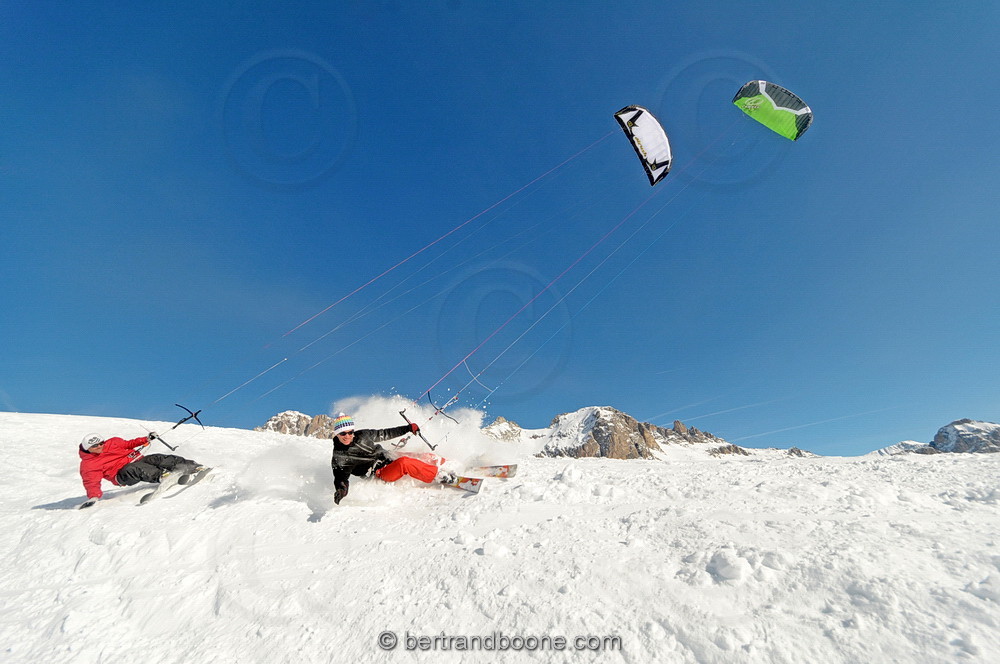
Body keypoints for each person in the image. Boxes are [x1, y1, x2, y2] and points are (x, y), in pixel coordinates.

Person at [329, 413, 442, 505]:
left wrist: (407, 428)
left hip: (388, 457)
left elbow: (385, 433)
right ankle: (441, 476)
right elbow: (340, 478)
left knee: (424, 456)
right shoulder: (340, 456)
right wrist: (341, 490)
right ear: (337, 434)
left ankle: (448, 466)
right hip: (379, 473)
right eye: (343, 433)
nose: (347, 436)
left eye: (350, 432)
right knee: (404, 463)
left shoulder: (363, 435)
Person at [78, 432, 203, 506]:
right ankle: (164, 476)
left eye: (101, 443)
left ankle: (191, 466)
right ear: (88, 448)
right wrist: (94, 497)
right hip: (122, 475)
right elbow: (91, 482)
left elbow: (129, 444)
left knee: (156, 458)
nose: (100, 446)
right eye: (95, 446)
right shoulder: (89, 464)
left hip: (136, 459)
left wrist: (146, 439)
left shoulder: (113, 442)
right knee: (134, 468)